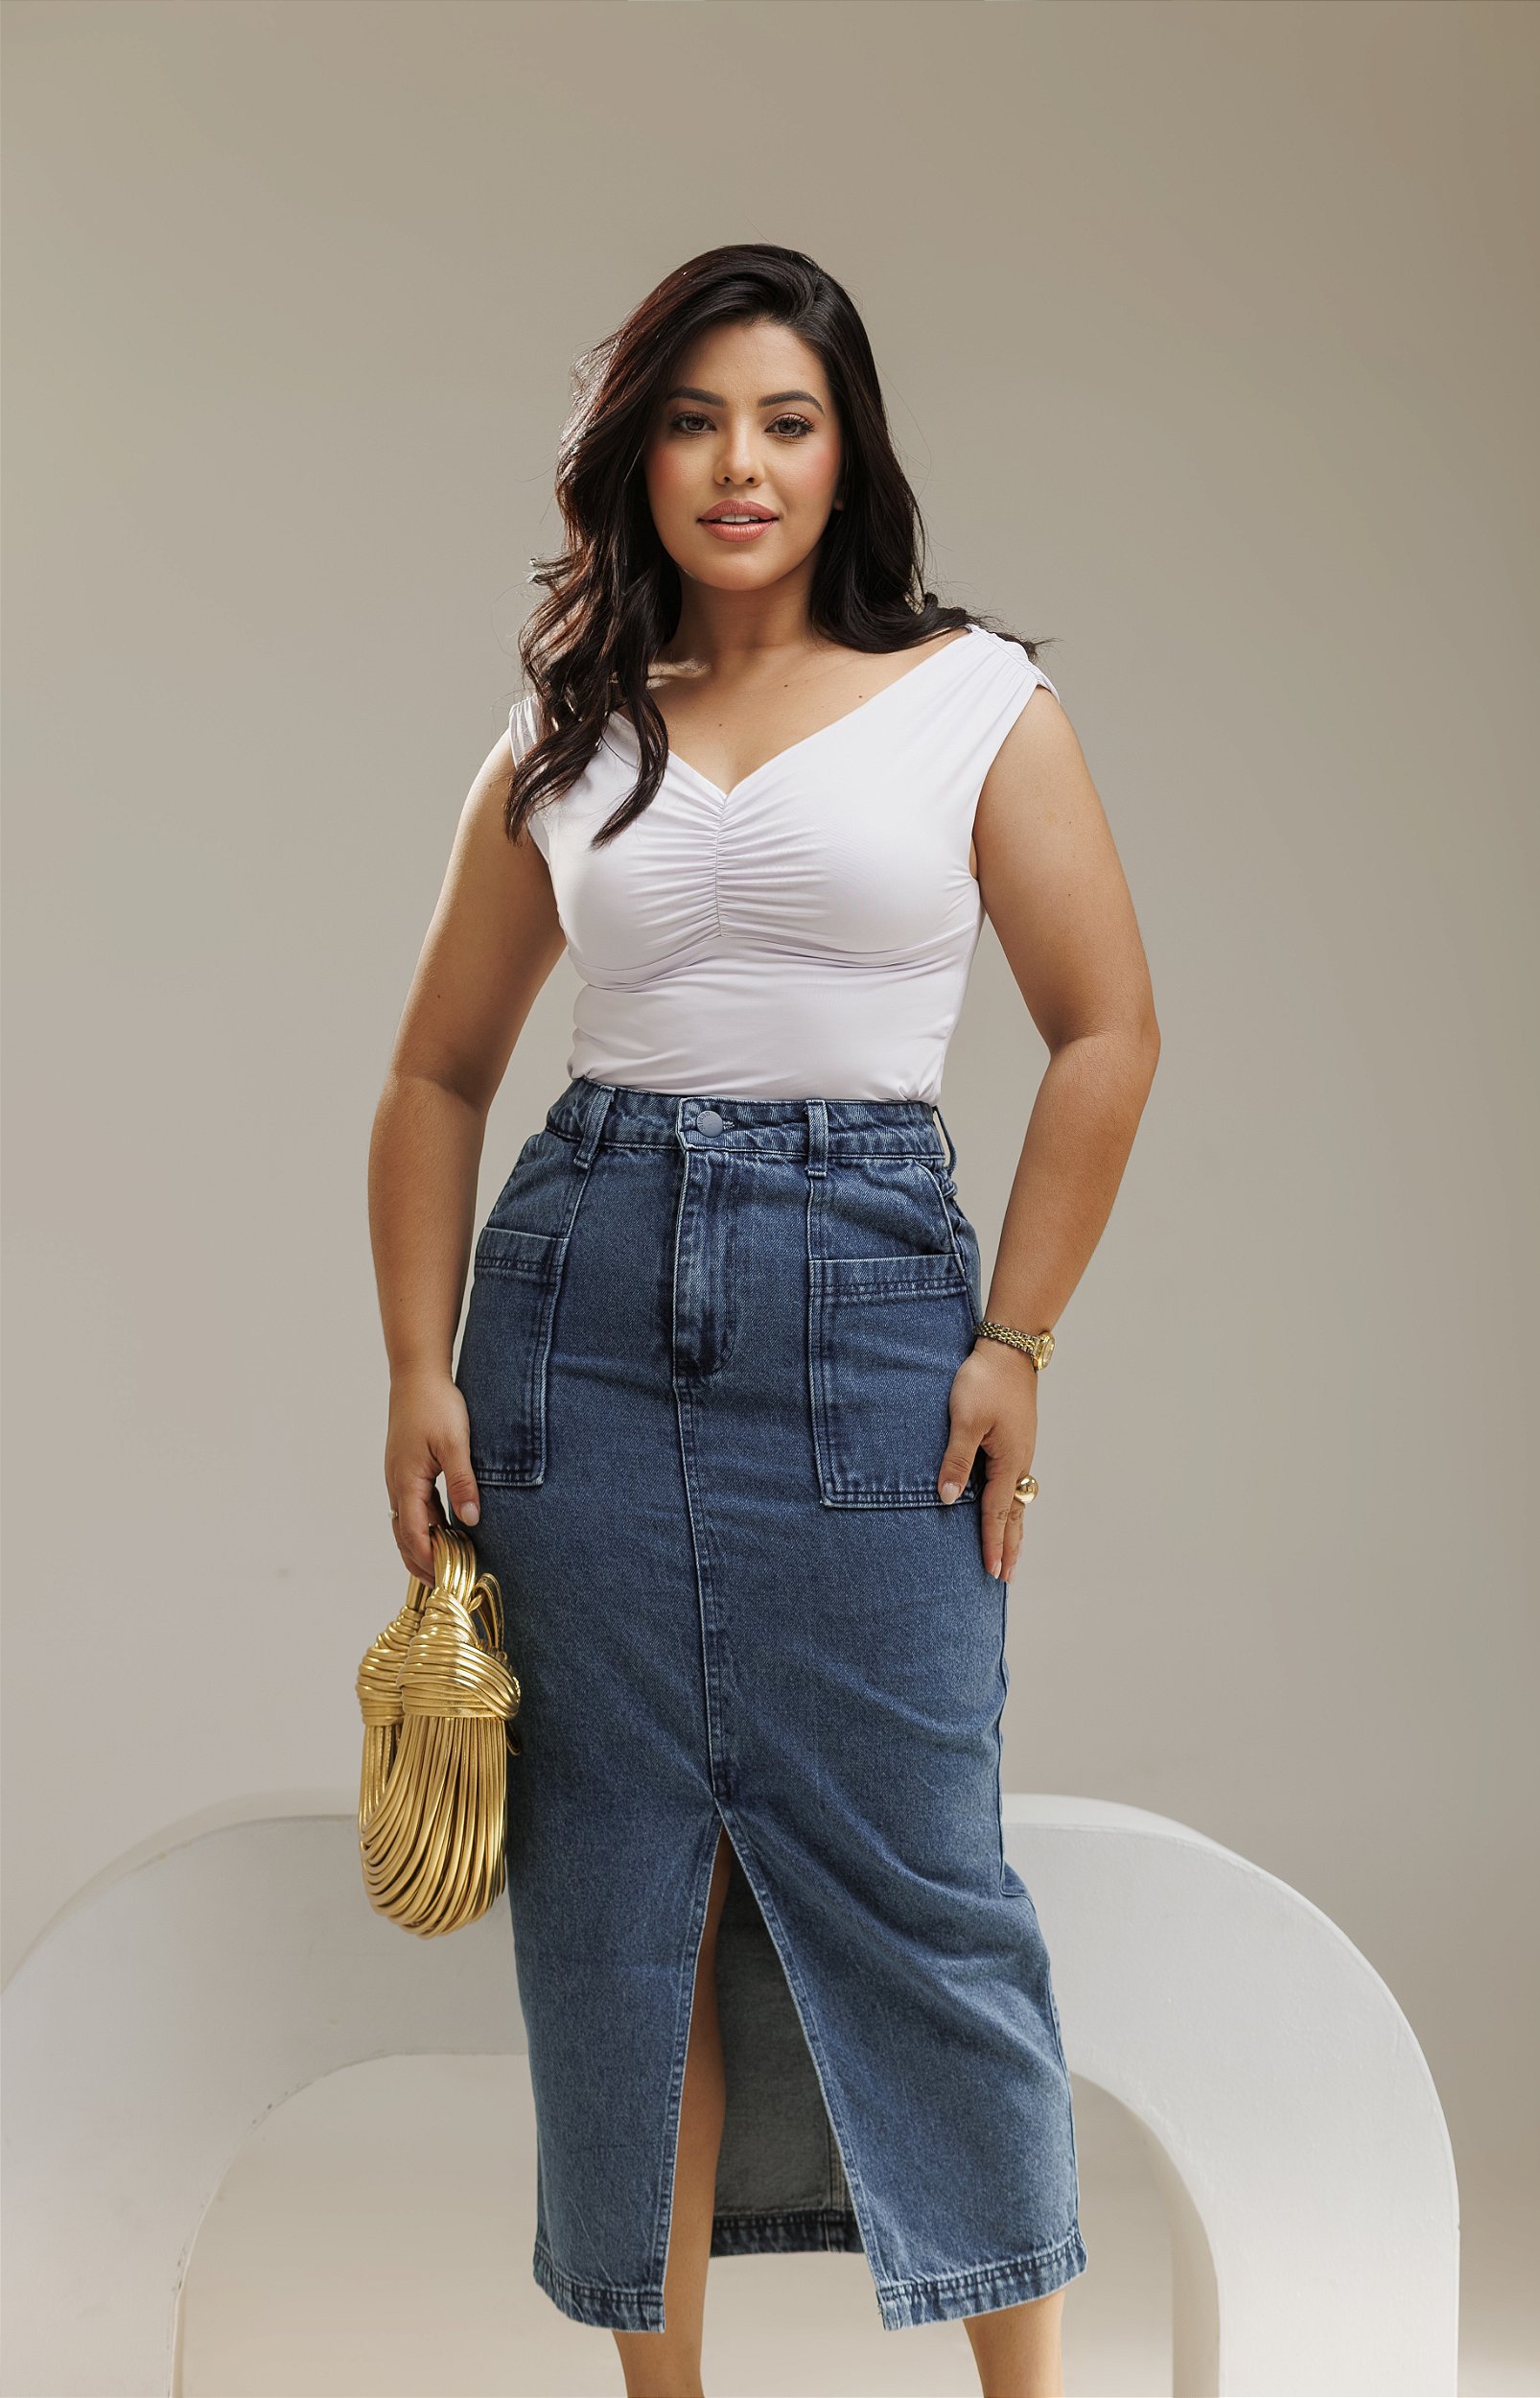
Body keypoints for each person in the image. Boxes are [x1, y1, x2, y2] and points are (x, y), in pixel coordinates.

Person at [368, 243, 1158, 2398]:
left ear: (844, 454)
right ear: (636, 454)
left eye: (786, 423)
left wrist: (1014, 1341)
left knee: (924, 1880)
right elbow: (437, 1070)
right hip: (576, 1314)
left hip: (866, 1309)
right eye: (697, 420)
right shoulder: (565, 728)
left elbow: (1105, 1029)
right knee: (622, 1899)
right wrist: (417, 1364)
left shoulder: (973, 699)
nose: (740, 464)